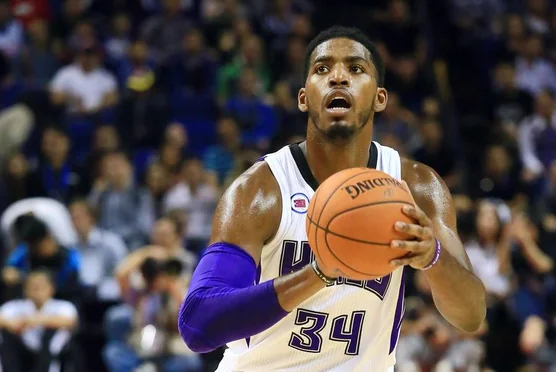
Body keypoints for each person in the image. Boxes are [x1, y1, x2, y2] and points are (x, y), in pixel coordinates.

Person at [178, 26, 486, 372]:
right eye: (322, 69)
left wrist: (433, 257)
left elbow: (471, 315)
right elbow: (198, 324)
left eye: (356, 69)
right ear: (303, 97)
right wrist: (318, 273)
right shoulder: (261, 191)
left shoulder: (417, 187)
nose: (338, 77)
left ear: (380, 98)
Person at [0, 270, 79, 372]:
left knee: (52, 333)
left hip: (51, 351)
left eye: (41, 286)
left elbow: (70, 321)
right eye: (32, 286)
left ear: (51, 288)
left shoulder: (62, 305)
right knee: (3, 334)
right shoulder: (18, 305)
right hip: (25, 349)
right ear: (25, 289)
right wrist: (11, 324)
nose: (36, 290)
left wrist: (36, 320)